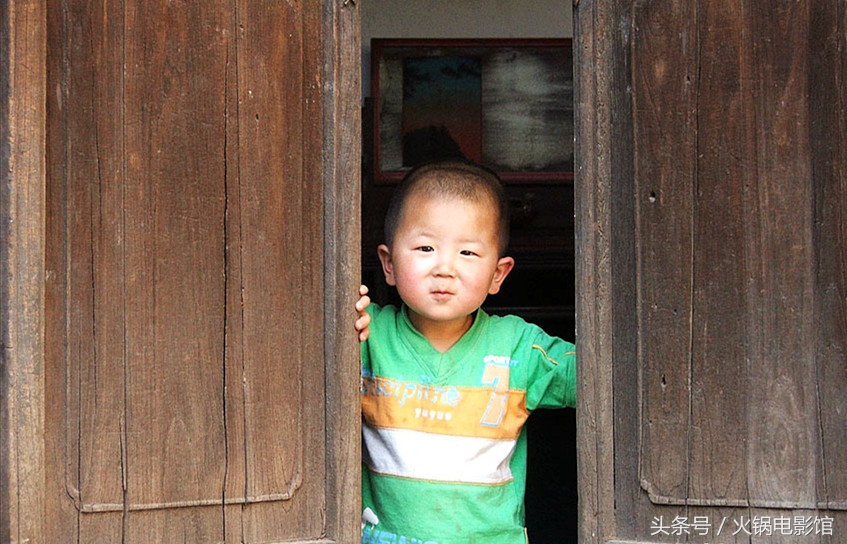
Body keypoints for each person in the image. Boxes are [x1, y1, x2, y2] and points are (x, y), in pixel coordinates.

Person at [354, 159, 576, 544]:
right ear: (388, 264)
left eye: (468, 254)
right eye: (426, 247)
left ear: (498, 274)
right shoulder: (368, 334)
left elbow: (608, 375)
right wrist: (340, 315)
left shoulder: (518, 348)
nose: (445, 268)